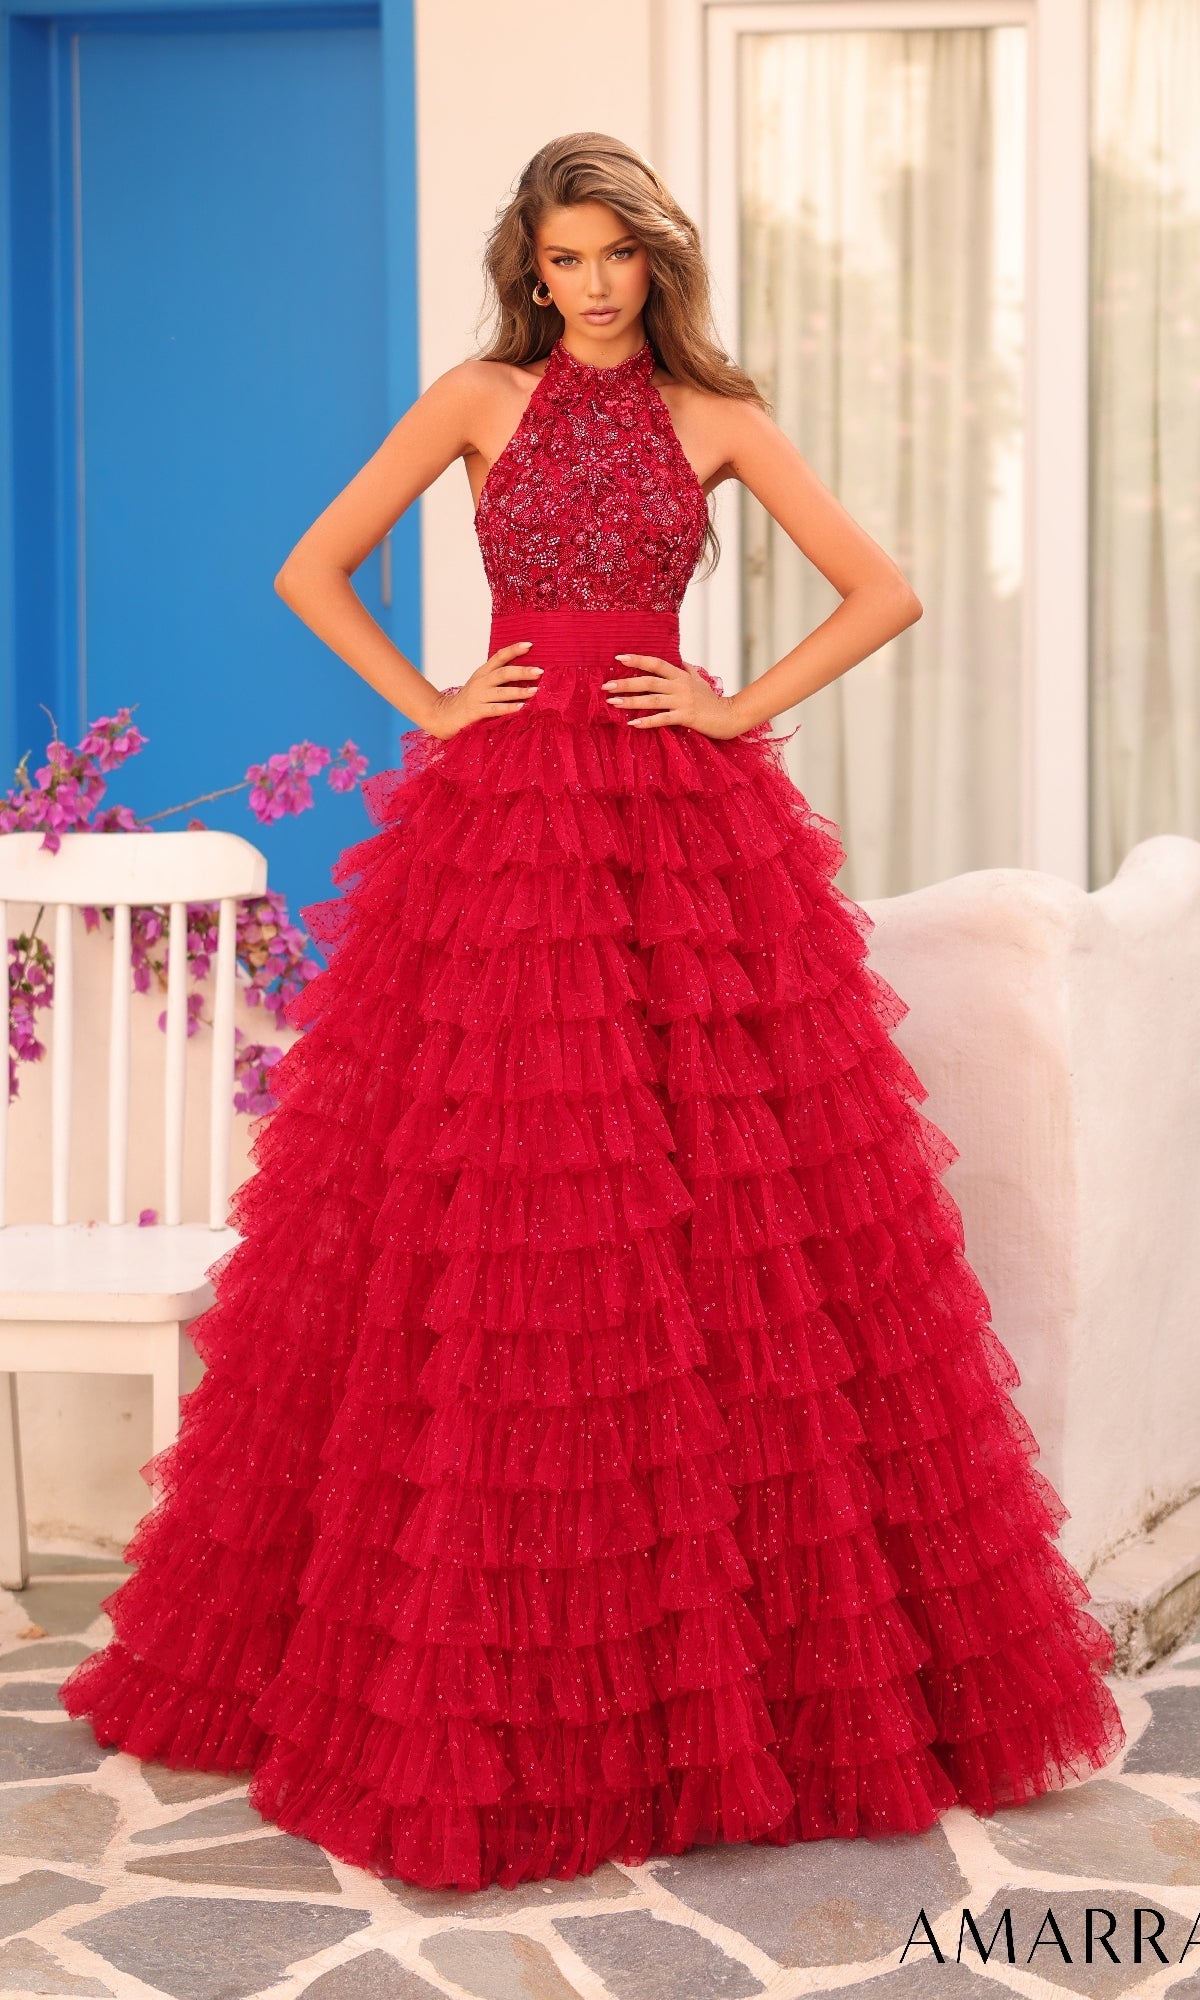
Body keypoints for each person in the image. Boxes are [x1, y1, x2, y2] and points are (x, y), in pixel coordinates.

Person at [60, 131, 1125, 1892]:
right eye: (564, 260)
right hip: (499, 835)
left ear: (654, 260)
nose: (595, 284)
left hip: (678, 840)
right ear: (530, 272)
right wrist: (432, 696)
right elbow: (314, 564)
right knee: (502, 1203)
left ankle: (725, 1680)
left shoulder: (717, 418)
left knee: (719, 1212)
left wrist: (729, 710)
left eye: (617, 254)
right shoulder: (480, 396)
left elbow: (888, 588)